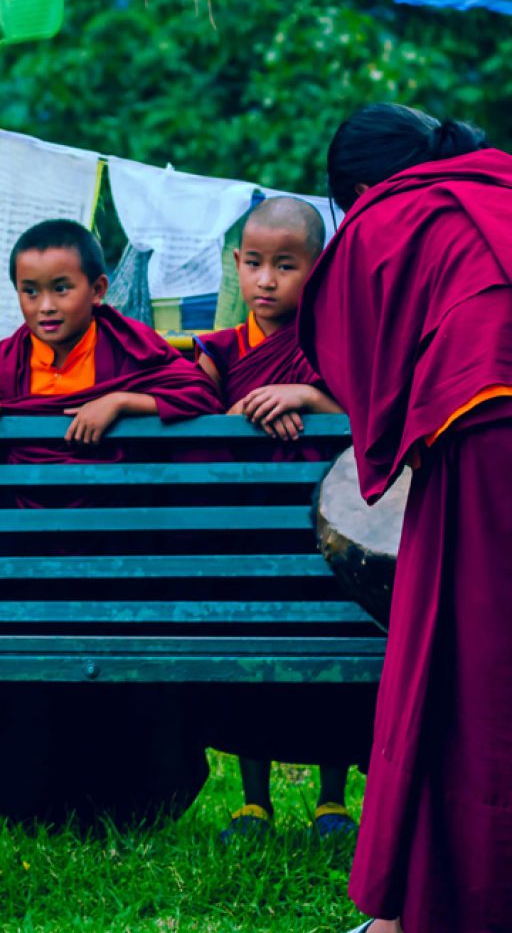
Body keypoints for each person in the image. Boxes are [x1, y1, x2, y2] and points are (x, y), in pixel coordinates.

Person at [298, 103, 512, 933]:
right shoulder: (496, 187)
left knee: (463, 665)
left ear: (353, 191)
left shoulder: (390, 212)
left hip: (488, 435)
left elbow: (348, 346)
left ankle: (432, 907)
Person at [0, 219, 223, 826]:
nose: (44, 306)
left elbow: (198, 396)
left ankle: (124, 806)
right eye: (29, 290)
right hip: (23, 561)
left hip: (114, 554)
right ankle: (11, 805)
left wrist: (123, 402)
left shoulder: (130, 347)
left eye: (61, 288)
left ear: (98, 289)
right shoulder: (3, 360)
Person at [194, 196, 375, 842]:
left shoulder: (337, 345)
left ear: (318, 268)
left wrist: (306, 395)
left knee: (331, 653)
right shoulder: (215, 349)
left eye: (286, 266)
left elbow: (370, 414)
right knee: (253, 657)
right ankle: (253, 802)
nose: (265, 280)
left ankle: (332, 800)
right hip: (245, 528)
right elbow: (190, 413)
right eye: (253, 263)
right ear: (236, 265)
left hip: (327, 534)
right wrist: (237, 413)